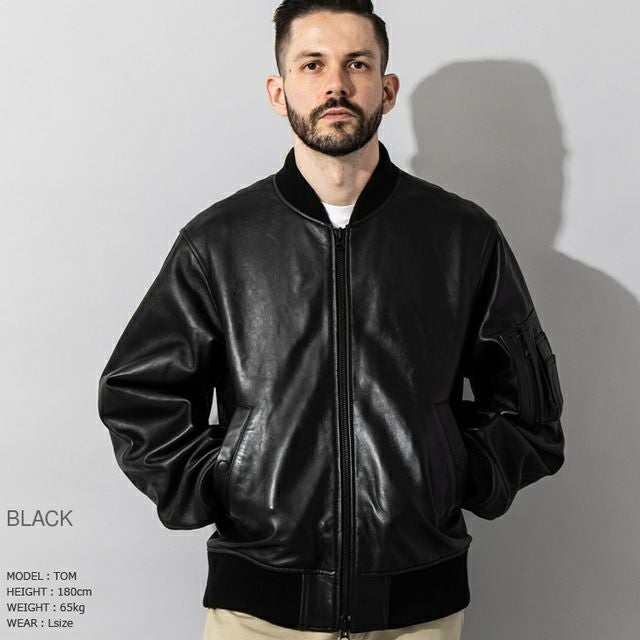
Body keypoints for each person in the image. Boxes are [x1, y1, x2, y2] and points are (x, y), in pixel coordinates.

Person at [97, 1, 566, 638]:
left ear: (386, 89)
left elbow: (530, 410)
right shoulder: (219, 242)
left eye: (358, 64)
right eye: (312, 65)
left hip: (419, 612)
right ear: (279, 90)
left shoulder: (462, 237)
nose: (335, 85)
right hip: (257, 614)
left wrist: (450, 473)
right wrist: (228, 480)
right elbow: (137, 393)